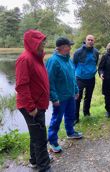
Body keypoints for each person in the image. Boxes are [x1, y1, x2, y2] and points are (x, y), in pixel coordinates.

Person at [15, 29, 51, 172]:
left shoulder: (36, 57)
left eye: (43, 41)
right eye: (41, 41)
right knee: (40, 137)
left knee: (35, 134)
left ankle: (35, 160)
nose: (43, 43)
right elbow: (21, 86)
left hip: (38, 103)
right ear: (33, 42)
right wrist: (31, 108)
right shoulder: (25, 59)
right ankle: (44, 167)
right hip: (31, 106)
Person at [46, 37, 83, 153]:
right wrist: (54, 97)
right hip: (60, 98)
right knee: (56, 119)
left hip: (70, 95)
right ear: (62, 47)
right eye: (68, 45)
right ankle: (52, 141)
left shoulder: (68, 60)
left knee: (70, 115)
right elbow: (49, 81)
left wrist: (76, 90)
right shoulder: (53, 61)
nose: (70, 47)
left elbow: (73, 76)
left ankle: (70, 132)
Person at [73, 35, 99, 123]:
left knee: (88, 97)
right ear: (85, 40)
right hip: (80, 78)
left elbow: (95, 62)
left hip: (91, 78)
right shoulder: (78, 52)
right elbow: (74, 64)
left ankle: (86, 113)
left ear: (94, 41)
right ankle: (75, 117)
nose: (90, 41)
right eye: (89, 40)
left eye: (92, 40)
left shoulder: (96, 52)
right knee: (77, 98)